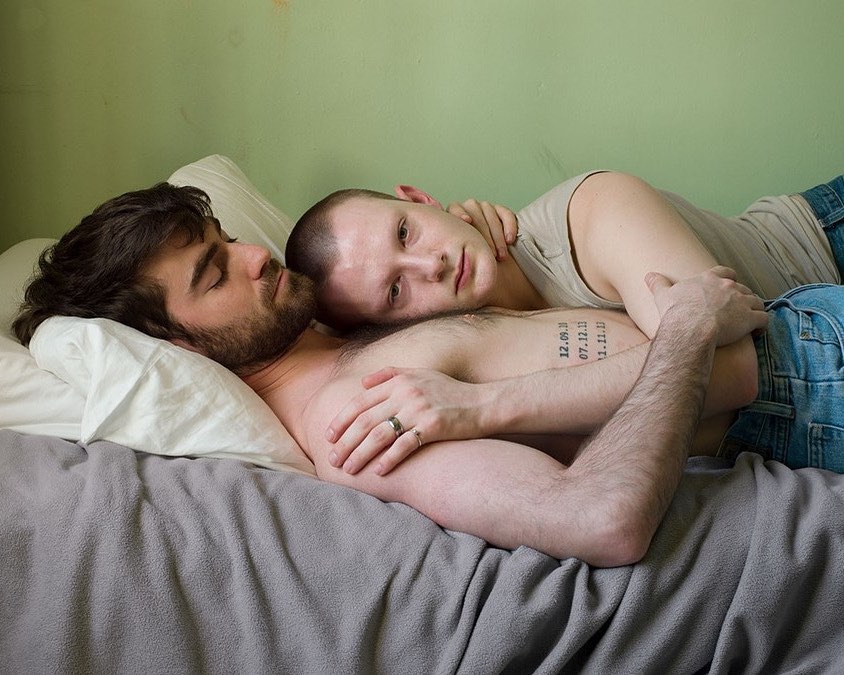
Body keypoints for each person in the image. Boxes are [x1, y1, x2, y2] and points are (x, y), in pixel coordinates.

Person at [13, 182, 771, 567]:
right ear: (178, 347)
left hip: (777, 331)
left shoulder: (332, 328)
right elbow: (599, 518)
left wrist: (475, 227)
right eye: (216, 274)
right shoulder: (352, 421)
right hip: (790, 383)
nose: (255, 256)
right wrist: (690, 330)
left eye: (229, 237)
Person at [285, 171, 844, 469]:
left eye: (405, 232)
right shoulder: (477, 341)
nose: (430, 264)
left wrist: (479, 408)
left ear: (420, 197)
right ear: (391, 330)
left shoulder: (591, 212)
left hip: (821, 245)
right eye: (395, 290)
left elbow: (730, 368)